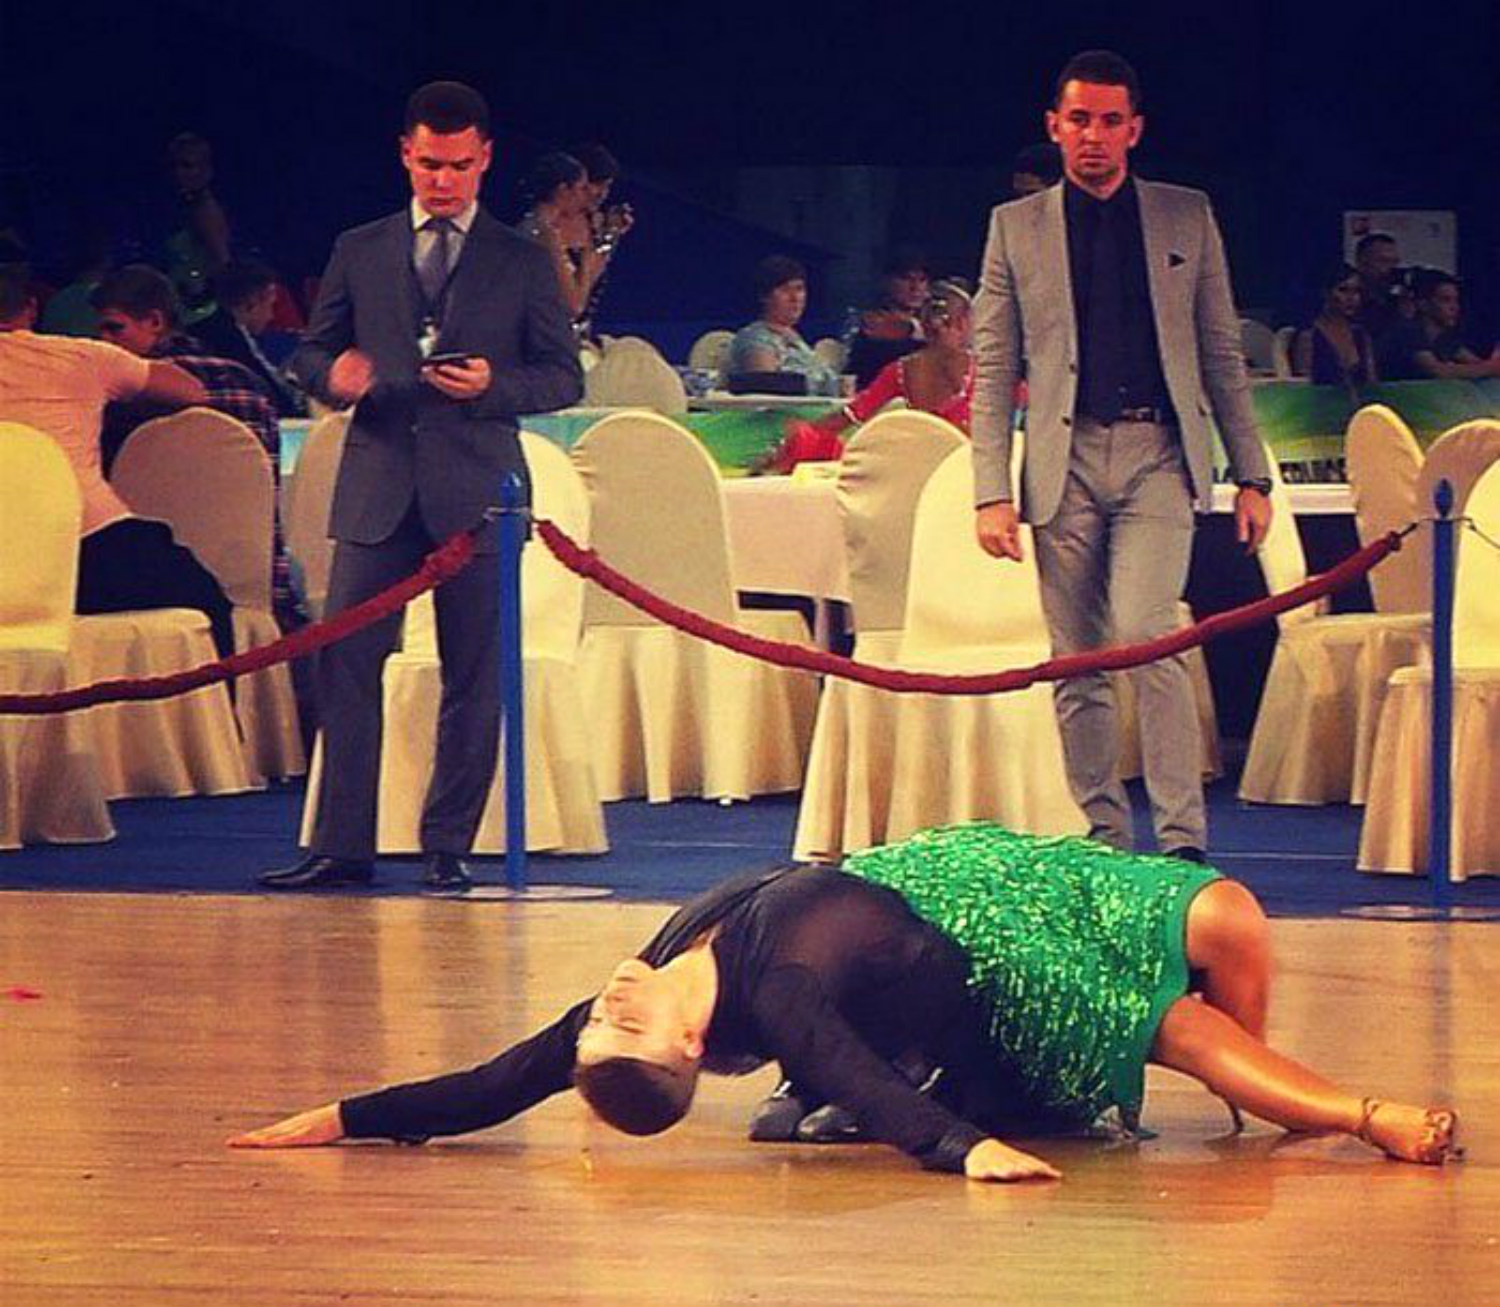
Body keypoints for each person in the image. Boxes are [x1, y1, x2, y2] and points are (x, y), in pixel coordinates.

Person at [229, 823, 1460, 1178]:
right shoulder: (783, 989)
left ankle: (1272, 1083)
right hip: (995, 977)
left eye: (598, 1018)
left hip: (978, 877)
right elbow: (857, 1074)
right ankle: (1363, 1114)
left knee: (1229, 912)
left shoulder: (662, 971)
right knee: (1175, 1023)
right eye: (623, 1020)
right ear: (690, 1042)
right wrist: (965, 1149)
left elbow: (490, 1083)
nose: (606, 999)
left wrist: (341, 1115)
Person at [256, 81, 582, 894]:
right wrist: (331, 374)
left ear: (485, 159)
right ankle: (342, 846)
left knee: (474, 675)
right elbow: (308, 352)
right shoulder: (360, 247)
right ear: (406, 154)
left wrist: (495, 385)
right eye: (431, 164)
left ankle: (448, 846)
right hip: (377, 487)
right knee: (346, 665)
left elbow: (563, 377)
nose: (444, 180)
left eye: (460, 166)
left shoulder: (520, 258)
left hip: (476, 491)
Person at [971, 50, 1274, 864]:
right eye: (1079, 120)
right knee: (1078, 661)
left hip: (1157, 452)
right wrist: (989, 489)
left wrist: (1251, 475)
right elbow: (993, 366)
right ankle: (1104, 838)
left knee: (1150, 636)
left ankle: (1181, 845)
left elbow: (1220, 352)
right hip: (1060, 459)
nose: (1093, 136)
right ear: (1054, 126)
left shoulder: (1186, 214)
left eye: (1110, 121)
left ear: (1134, 130)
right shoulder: (1013, 227)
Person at [0, 259, 235, 658]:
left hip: (25, 562)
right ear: (31, 308)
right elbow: (190, 391)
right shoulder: (82, 357)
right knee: (206, 606)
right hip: (85, 547)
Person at [89, 264, 303, 631]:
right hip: (262, 588)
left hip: (152, 593)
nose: (104, 342)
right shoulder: (245, 381)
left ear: (155, 322)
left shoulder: (123, 401)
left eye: (114, 328)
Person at [756, 280, 976, 473]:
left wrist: (794, 440)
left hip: (919, 470)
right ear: (963, 322)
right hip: (966, 472)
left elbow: (848, 416)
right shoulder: (983, 369)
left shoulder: (901, 369)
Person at [515, 152, 611, 339]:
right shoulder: (545, 234)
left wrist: (609, 237)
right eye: (581, 188)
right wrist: (586, 258)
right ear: (563, 189)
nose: (584, 196)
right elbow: (574, 306)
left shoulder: (532, 225)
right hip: (543, 339)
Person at [194, 259, 305, 416]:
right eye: (271, 305)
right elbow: (280, 400)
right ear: (251, 303)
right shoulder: (231, 343)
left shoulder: (218, 330)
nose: (271, 316)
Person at [726, 255, 840, 396]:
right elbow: (766, 388)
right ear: (764, 296)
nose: (795, 298)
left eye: (799, 289)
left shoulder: (795, 338)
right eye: (785, 290)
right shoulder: (754, 338)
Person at [1379, 269, 1500, 381]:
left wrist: (1490, 366)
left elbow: (1476, 363)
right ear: (1423, 305)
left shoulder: (1445, 339)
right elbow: (1437, 371)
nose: (1455, 307)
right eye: (1446, 300)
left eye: (1456, 300)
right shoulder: (1407, 331)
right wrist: (1490, 368)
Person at [843, 247, 931, 387]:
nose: (915, 288)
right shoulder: (872, 323)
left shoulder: (931, 325)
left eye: (922, 280)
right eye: (906, 279)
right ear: (886, 282)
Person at [1292, 263, 1377, 391]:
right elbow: (1304, 387)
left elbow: (1372, 382)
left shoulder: (1360, 335)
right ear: (1326, 292)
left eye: (1357, 291)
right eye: (1343, 290)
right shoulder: (1309, 336)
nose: (1351, 298)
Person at [1352, 232, 1402, 344]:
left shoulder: (1393, 299)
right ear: (1361, 262)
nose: (1391, 268)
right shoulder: (1350, 299)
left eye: (1395, 262)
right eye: (1383, 261)